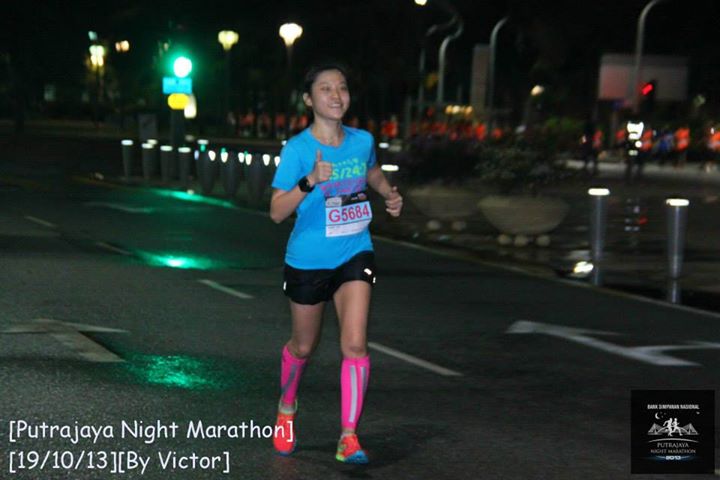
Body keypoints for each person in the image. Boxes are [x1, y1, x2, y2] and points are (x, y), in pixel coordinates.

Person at [269, 62, 403, 465]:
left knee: (355, 344)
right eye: (325, 89)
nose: (336, 95)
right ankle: (286, 408)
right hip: (308, 260)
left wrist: (388, 193)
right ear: (309, 100)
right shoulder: (297, 150)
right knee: (303, 346)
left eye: (341, 87)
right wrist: (310, 180)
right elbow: (276, 212)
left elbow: (372, 171)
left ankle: (348, 437)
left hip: (355, 251)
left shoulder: (362, 141)